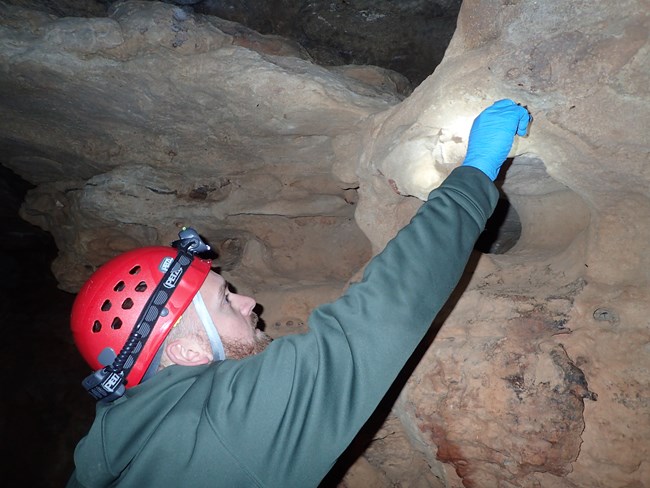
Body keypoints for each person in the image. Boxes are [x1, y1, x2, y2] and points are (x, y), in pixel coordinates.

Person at [66, 99, 531, 487]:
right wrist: (476, 172)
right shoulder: (225, 425)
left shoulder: (112, 449)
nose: (250, 302)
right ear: (186, 350)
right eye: (224, 302)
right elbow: (379, 315)